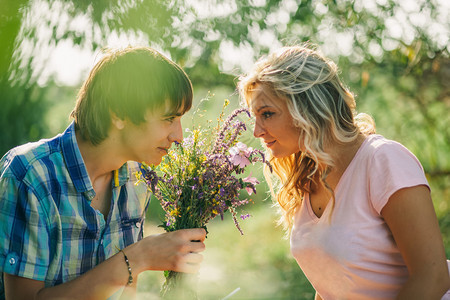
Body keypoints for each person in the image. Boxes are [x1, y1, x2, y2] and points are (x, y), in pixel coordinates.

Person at [238, 44, 450, 299]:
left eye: (267, 114)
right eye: (255, 117)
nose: (257, 131)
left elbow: (433, 277)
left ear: (307, 108)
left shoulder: (384, 161)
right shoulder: (308, 178)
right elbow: (331, 287)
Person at [0, 46, 206, 300]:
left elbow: (123, 292)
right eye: (168, 119)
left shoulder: (137, 179)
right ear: (118, 113)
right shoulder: (31, 177)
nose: (179, 136)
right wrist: (138, 258)